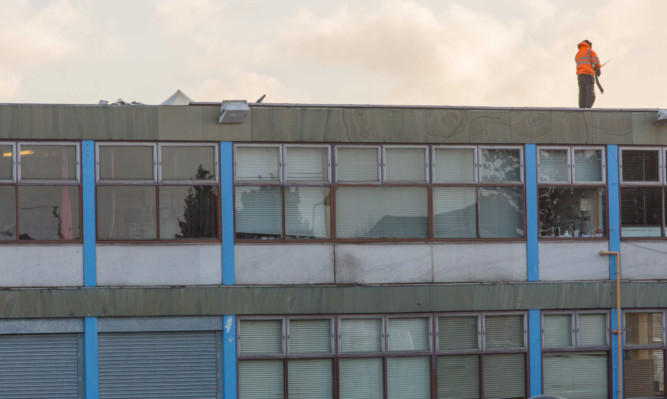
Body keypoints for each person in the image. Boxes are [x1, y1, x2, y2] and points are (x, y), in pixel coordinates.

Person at [575, 40, 601, 108]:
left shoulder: (578, 54)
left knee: (582, 94)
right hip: (588, 75)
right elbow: (596, 61)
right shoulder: (589, 51)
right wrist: (598, 69)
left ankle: (581, 109)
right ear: (588, 45)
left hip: (580, 76)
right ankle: (587, 109)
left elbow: (584, 64)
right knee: (591, 95)